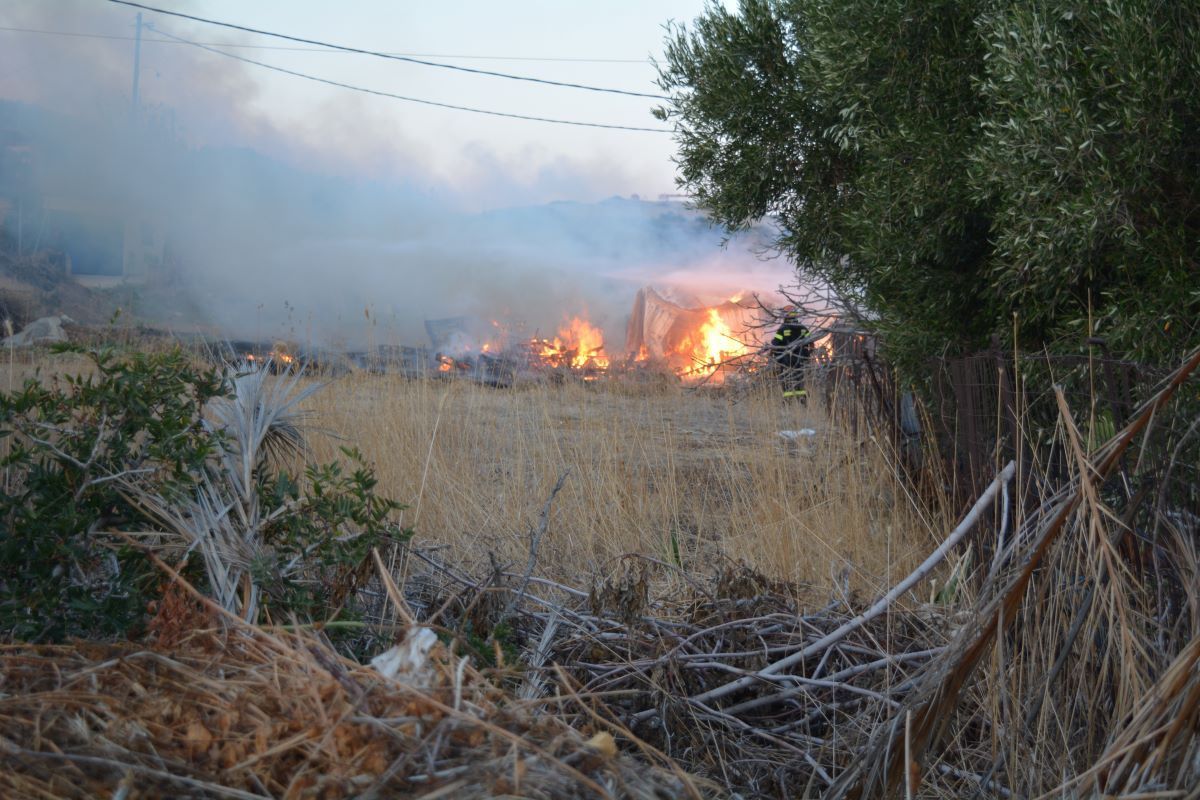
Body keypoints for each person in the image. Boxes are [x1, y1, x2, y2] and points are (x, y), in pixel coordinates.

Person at [771, 308, 812, 400]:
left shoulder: (782, 329)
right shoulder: (802, 328)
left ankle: (787, 401)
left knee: (786, 380)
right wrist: (807, 355)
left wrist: (774, 357)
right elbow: (811, 343)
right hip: (800, 359)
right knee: (799, 378)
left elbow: (775, 344)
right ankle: (802, 399)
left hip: (786, 360)